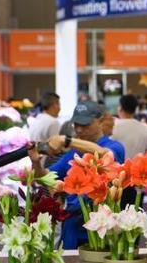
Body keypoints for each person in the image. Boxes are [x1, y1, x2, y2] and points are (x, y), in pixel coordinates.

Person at [31, 101, 125, 249]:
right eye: (76, 125)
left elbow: (102, 153)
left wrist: (66, 140)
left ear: (100, 121)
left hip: (102, 223)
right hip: (73, 224)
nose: (80, 130)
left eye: (85, 124)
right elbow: (46, 177)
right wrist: (36, 162)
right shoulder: (73, 153)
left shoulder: (115, 146)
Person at [113, 94, 147, 160]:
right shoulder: (145, 128)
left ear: (120, 108)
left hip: (116, 169)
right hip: (139, 169)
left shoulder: (112, 128)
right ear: (135, 109)